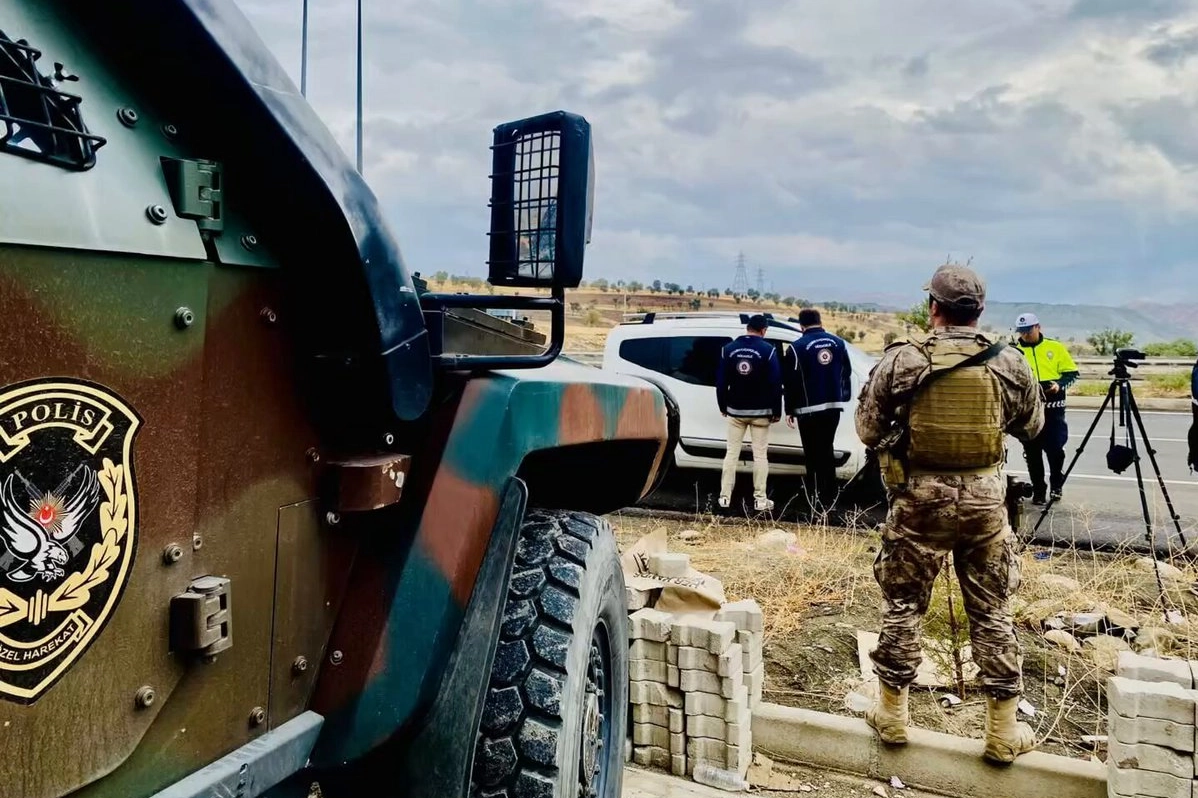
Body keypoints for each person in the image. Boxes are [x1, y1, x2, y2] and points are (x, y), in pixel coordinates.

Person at [854, 262, 1044, 764]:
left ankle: (892, 716)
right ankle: (1003, 731)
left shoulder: (904, 359)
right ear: (979, 310)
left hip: (920, 500)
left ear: (932, 307)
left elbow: (868, 430)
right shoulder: (1009, 361)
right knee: (992, 610)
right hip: (985, 502)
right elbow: (1032, 427)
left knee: (903, 605)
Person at [782, 308, 852, 514]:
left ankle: (814, 500)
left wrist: (789, 409)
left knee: (813, 455)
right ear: (820, 322)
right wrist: (838, 393)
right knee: (827, 451)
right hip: (833, 408)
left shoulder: (796, 348)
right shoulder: (839, 343)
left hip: (808, 410)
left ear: (801, 326)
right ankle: (831, 499)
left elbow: (791, 381)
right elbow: (846, 372)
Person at [716, 314, 783, 512]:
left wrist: (723, 406)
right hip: (761, 412)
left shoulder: (728, 349)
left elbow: (721, 382)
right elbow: (775, 383)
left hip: (735, 410)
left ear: (748, 328)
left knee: (731, 453)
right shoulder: (768, 350)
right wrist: (776, 411)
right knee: (760, 455)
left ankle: (724, 497)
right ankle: (760, 499)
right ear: (763, 330)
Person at [1012, 313, 1078, 504]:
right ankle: (1039, 490)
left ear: (1038, 327)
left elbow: (1072, 374)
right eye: (1022, 331)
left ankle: (1057, 485)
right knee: (1032, 452)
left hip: (1053, 408)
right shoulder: (1014, 352)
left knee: (1055, 450)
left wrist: (1059, 385)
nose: (1025, 335)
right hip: (1029, 409)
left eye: (1028, 330)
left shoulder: (1055, 347)